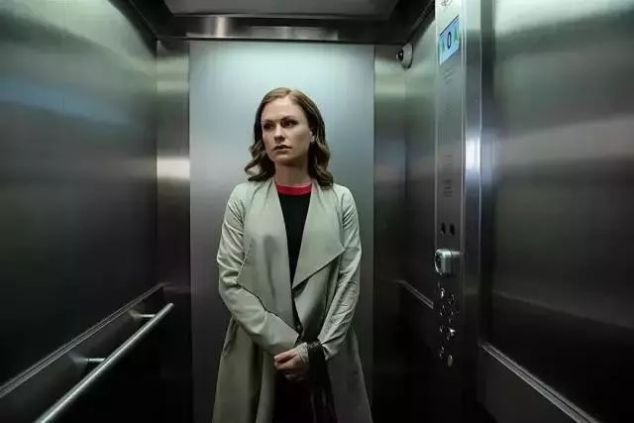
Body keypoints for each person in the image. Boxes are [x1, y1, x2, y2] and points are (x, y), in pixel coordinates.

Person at [213, 87, 372, 423]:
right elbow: (230, 282)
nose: (277, 134)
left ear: (312, 131)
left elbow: (349, 283)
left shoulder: (340, 200)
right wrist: (288, 343)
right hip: (259, 351)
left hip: (326, 352)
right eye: (268, 126)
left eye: (288, 123)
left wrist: (317, 352)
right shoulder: (243, 199)